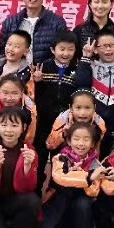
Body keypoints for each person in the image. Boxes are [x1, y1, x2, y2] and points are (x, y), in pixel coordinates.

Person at [39, 123, 104, 228]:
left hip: (81, 208)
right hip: (61, 203)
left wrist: (79, 177)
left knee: (83, 203)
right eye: (76, 139)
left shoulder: (96, 164)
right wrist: (87, 177)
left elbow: (94, 191)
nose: (81, 143)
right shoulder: (60, 158)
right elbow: (60, 178)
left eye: (86, 139)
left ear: (93, 143)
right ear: (69, 141)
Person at [75, 31, 114, 155]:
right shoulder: (90, 66)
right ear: (96, 49)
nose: (108, 49)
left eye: (111, 45)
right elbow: (80, 84)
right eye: (104, 46)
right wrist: (86, 57)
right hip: (94, 124)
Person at [32, 29, 79, 167]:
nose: (66, 53)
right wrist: (38, 82)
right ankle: (38, 181)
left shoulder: (77, 69)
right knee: (39, 155)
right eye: (62, 49)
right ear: (53, 49)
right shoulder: (43, 66)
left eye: (70, 49)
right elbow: (34, 94)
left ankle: (55, 181)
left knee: (60, 158)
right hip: (43, 120)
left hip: (64, 121)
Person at [0, 0, 67, 65]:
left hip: (45, 72)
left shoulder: (57, 23)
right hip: (15, 72)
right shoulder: (10, 22)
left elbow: (62, 52)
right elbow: (1, 53)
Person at [0, 75, 37, 145]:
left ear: (21, 93)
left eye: (14, 93)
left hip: (19, 147)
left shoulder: (29, 109)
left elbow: (30, 137)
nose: (9, 98)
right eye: (5, 93)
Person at [45, 90, 106, 155]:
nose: (83, 113)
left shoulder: (98, 124)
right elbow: (50, 146)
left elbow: (97, 148)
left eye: (87, 108)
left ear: (94, 108)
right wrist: (64, 134)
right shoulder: (62, 121)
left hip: (87, 159)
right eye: (78, 107)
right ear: (71, 108)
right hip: (63, 157)